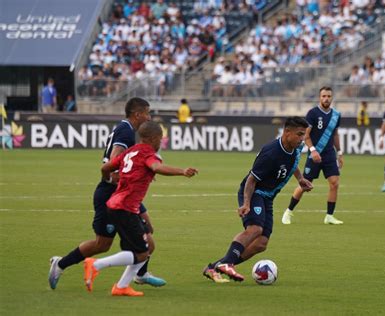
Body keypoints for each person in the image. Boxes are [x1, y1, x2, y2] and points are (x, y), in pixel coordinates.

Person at [48, 97, 164, 289]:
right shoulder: (126, 131)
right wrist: (124, 173)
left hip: (124, 193)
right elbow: (115, 157)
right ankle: (60, 264)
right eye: (147, 113)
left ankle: (140, 274)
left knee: (147, 238)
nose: (149, 117)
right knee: (102, 244)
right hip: (112, 194)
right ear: (137, 114)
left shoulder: (126, 129)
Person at [83, 121, 198, 296]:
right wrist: (182, 171)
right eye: (160, 138)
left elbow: (105, 167)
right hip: (125, 207)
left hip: (118, 205)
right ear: (153, 138)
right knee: (142, 253)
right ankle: (96, 264)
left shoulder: (131, 151)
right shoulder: (147, 153)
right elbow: (156, 167)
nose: (161, 142)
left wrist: (109, 179)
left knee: (142, 249)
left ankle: (121, 287)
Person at [203, 117, 313, 283]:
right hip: (255, 192)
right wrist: (246, 203)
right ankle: (227, 263)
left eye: (303, 135)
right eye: (299, 134)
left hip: (268, 197)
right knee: (255, 229)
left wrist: (300, 179)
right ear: (287, 132)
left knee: (261, 243)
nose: (302, 139)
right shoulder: (270, 153)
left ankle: (216, 266)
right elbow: (251, 180)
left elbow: (293, 161)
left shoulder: (297, 146)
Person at [282, 86, 344, 225]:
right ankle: (288, 211)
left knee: (334, 183)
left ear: (332, 98)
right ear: (319, 97)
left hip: (329, 154)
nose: (326, 98)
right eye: (323, 96)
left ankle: (329, 216)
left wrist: (339, 153)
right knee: (305, 185)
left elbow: (335, 135)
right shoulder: (313, 113)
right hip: (315, 154)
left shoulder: (336, 115)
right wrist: (313, 150)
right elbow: (306, 135)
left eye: (328, 96)